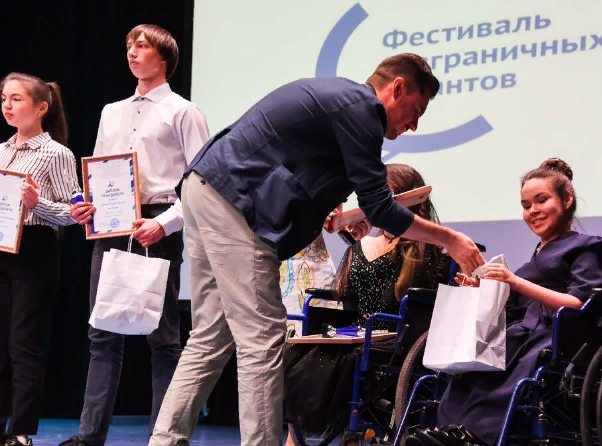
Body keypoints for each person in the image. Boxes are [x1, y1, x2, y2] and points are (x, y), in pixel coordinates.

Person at [148, 53, 484, 446]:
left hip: (205, 187)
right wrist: (450, 238)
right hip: (235, 202)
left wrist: (332, 209)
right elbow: (381, 207)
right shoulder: (364, 109)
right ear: (398, 88)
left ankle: (164, 441)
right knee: (263, 337)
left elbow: (298, 165)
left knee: (211, 335)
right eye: (416, 111)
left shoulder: (342, 101)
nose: (414, 125)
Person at [60, 24, 210, 446]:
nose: (132, 52)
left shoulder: (183, 111)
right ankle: (89, 435)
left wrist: (166, 223)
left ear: (163, 57)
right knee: (102, 331)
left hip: (158, 223)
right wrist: (84, 203)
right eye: (129, 45)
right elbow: (99, 167)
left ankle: (164, 436)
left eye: (141, 46)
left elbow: (202, 180)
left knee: (163, 338)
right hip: (112, 220)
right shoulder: (112, 111)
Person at [406, 158, 602, 446]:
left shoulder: (586, 246)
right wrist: (480, 288)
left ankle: (475, 435)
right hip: (524, 330)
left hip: (561, 332)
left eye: (542, 200)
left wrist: (514, 281)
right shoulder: (538, 255)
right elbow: (512, 307)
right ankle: (447, 431)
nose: (532, 211)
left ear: (567, 199)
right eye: (526, 205)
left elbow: (578, 303)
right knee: (475, 360)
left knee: (513, 355)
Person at [283, 163, 451, 445]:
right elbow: (347, 295)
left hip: (396, 340)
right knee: (301, 351)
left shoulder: (422, 247)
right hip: (357, 333)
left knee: (338, 361)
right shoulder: (360, 246)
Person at [0, 72, 80, 446]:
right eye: (4, 98)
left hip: (34, 249)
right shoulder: (2, 150)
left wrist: (37, 203)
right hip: (3, 247)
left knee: (23, 343)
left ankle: (20, 431)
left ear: (41, 107)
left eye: (16, 99)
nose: (7, 105)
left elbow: (74, 212)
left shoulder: (56, 154)